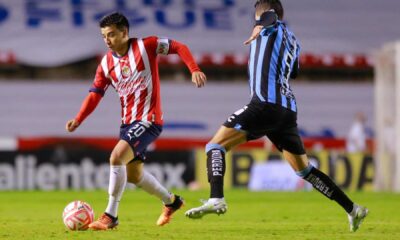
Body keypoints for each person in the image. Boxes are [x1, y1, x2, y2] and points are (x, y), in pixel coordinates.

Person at [185, 0, 368, 232]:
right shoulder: (294, 40)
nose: (255, 20)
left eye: (256, 15)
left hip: (265, 104)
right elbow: (295, 72)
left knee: (214, 146)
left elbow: (270, 18)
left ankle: (216, 198)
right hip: (287, 110)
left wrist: (260, 26)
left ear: (263, 13)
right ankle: (353, 209)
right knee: (305, 170)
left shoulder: (270, 26)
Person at [65, 12, 207, 230]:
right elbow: (95, 94)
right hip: (128, 123)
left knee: (116, 157)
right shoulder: (106, 63)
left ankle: (110, 216)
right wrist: (78, 118)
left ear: (124, 32)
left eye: (111, 34)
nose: (107, 40)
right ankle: (172, 202)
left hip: (149, 119)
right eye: (104, 36)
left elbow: (179, 46)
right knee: (133, 175)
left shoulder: (146, 46)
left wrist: (194, 69)